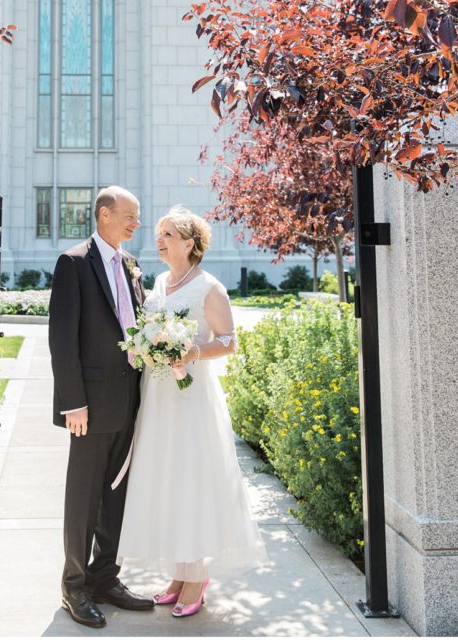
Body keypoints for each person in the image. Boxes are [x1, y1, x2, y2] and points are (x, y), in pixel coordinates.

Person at [116, 205, 268, 618]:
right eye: (160, 234)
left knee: (191, 479)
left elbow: (229, 341)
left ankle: (197, 577)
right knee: (167, 479)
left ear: (189, 242)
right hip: (159, 396)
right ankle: (180, 575)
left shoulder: (209, 288)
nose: (158, 240)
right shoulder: (160, 283)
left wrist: (192, 351)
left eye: (167, 234)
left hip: (191, 396)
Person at [48, 186, 155, 629]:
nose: (137, 223)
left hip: (129, 401)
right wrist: (73, 402)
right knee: (84, 497)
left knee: (116, 497)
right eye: (130, 215)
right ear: (104, 214)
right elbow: (62, 338)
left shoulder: (131, 265)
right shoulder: (73, 263)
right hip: (89, 406)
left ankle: (105, 578)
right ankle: (74, 587)